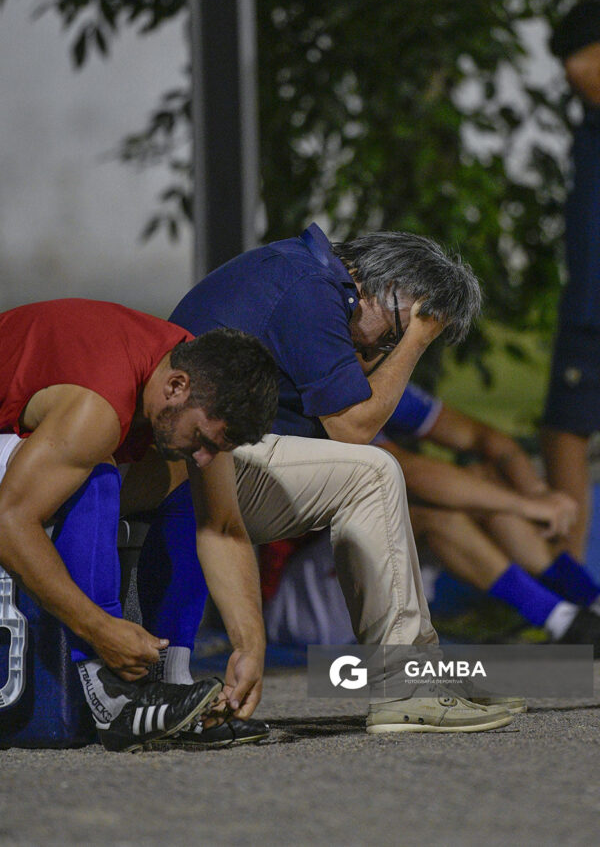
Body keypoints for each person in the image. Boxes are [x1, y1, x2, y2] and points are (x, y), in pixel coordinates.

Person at [124, 223, 521, 734]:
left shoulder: (306, 276)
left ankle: (419, 676)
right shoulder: (309, 288)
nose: (386, 348)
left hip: (192, 461)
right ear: (383, 288)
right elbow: (354, 430)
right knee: (373, 472)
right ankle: (407, 687)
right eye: (397, 328)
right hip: (184, 467)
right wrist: (417, 339)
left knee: (371, 474)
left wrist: (403, 332)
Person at [0, 298, 279, 751]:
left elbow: (222, 528)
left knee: (190, 483)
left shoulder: (197, 378)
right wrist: (98, 628)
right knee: (97, 473)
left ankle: (172, 681)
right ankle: (111, 695)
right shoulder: (99, 403)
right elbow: (9, 521)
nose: (208, 455)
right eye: (205, 439)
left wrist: (250, 646)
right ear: (175, 386)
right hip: (18, 482)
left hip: (47, 441)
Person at [262, 384, 600, 652]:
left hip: (345, 566)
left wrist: (535, 492)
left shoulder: (371, 372)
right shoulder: (319, 383)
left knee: (484, 480)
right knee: (421, 513)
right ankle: (562, 621)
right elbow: (408, 472)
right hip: (291, 602)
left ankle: (587, 601)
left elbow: (488, 439)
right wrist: (526, 506)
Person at [541, 0, 600, 561]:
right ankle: (576, 599)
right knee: (562, 430)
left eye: (581, 61)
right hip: (586, 310)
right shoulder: (588, 125)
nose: (574, 76)